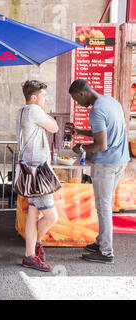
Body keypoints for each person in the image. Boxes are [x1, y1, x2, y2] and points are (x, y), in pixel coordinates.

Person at [69, 79, 129, 264]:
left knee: (103, 208)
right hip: (120, 160)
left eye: (76, 99)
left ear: (82, 93)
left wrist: (81, 148)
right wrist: (79, 131)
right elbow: (104, 132)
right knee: (106, 205)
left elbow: (101, 145)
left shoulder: (95, 111)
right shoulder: (111, 101)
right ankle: (102, 242)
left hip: (106, 164)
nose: (78, 104)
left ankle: (106, 252)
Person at [17, 80, 59, 272]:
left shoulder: (22, 110)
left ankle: (30, 255)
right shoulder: (34, 111)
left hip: (30, 169)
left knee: (34, 214)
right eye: (43, 96)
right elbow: (55, 127)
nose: (46, 98)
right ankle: (36, 246)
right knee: (51, 216)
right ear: (33, 98)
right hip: (38, 171)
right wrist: (45, 113)